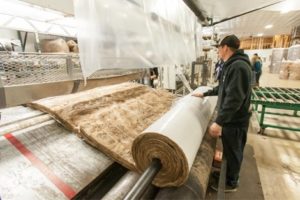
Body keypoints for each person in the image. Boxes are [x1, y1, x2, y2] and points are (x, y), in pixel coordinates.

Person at [192, 35, 252, 192]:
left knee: (234, 151)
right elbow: (223, 88)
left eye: (219, 48)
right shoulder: (231, 65)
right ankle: (228, 175)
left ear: (225, 47)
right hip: (231, 120)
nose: (217, 51)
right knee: (230, 149)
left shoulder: (238, 67)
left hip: (235, 120)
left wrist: (219, 122)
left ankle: (232, 182)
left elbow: (234, 99)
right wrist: (205, 93)